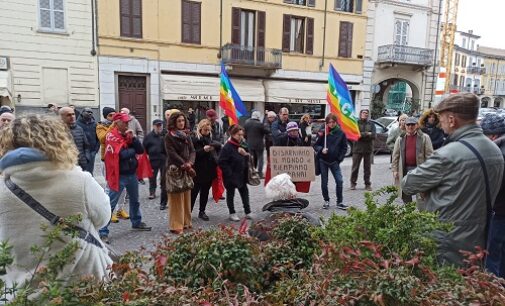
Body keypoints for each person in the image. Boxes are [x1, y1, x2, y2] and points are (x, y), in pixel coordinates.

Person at [0, 115, 112, 287]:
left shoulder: (2, 187)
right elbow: (103, 219)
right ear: (56, 140)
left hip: (23, 289)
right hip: (83, 284)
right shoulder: (79, 180)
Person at [401, 93, 504, 266]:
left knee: (442, 288)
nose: (439, 123)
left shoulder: (448, 154)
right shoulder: (494, 150)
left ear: (451, 119)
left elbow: (408, 184)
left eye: (440, 118)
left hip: (447, 240)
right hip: (480, 238)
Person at [99, 112, 152, 243]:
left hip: (131, 174)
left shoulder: (128, 136)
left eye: (128, 122)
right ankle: (103, 231)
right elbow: (122, 155)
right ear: (117, 123)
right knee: (110, 203)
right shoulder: (111, 136)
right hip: (118, 175)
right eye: (125, 122)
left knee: (135, 200)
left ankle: (136, 222)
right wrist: (131, 150)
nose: (128, 124)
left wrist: (133, 139)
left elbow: (140, 150)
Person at [480, 114, 505, 277]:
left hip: (499, 212)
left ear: (493, 135)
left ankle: (492, 292)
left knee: (492, 255)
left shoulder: (497, 154)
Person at [165, 111, 196, 234]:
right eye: (179, 121)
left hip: (187, 169)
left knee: (186, 197)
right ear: (173, 122)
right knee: (176, 198)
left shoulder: (187, 135)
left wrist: (190, 163)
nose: (181, 123)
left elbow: (193, 151)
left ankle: (186, 222)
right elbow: (171, 153)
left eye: (183, 120)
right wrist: (185, 165)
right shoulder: (169, 136)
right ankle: (176, 225)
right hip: (175, 169)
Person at [391, 117, 433, 206]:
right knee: (405, 192)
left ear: (417, 125)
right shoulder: (400, 139)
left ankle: (422, 215)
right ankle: (408, 213)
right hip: (405, 169)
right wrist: (395, 170)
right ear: (405, 126)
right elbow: (395, 156)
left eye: (413, 124)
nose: (410, 126)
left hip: (419, 170)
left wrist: (429, 170)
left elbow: (430, 156)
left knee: (421, 194)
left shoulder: (424, 138)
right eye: (408, 124)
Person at [313, 114, 348, 210]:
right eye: (329, 123)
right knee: (324, 182)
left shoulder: (341, 133)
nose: (331, 124)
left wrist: (339, 158)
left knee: (339, 180)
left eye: (333, 122)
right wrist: (321, 150)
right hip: (323, 160)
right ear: (327, 123)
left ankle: (339, 201)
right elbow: (315, 145)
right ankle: (326, 200)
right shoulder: (323, 132)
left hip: (334, 161)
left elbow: (344, 147)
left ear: (336, 122)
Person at [218, 125, 251, 221]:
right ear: (232, 134)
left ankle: (248, 211)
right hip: (231, 176)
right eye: (238, 135)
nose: (241, 137)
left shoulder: (243, 144)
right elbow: (221, 162)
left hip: (242, 174)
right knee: (230, 194)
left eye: (242, 134)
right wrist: (229, 173)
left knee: (244, 192)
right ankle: (232, 212)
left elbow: (250, 156)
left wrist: (245, 154)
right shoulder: (227, 147)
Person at [191, 119, 222, 221]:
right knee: (194, 192)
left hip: (209, 169)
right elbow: (193, 154)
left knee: (205, 192)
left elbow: (219, 146)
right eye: (205, 130)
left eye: (208, 130)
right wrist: (203, 150)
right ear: (200, 129)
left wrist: (213, 147)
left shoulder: (212, 138)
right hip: (198, 170)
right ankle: (188, 212)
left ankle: (202, 211)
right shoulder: (195, 139)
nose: (207, 132)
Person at [350, 109, 376, 191]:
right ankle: (353, 183)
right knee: (355, 168)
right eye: (364, 113)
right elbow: (355, 135)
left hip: (368, 149)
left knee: (367, 169)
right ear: (360, 114)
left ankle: (367, 184)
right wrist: (367, 134)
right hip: (357, 149)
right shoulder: (356, 123)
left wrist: (362, 135)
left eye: (367, 113)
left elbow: (374, 136)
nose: (365, 114)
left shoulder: (371, 124)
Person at [143, 119, 166, 200]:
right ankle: (152, 192)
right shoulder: (148, 136)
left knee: (164, 178)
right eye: (157, 125)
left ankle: (164, 193)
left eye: (160, 125)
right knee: (152, 177)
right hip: (152, 160)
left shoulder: (165, 135)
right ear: (153, 126)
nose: (159, 127)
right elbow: (144, 148)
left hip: (163, 160)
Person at [59, 106, 89, 171]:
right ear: (61, 117)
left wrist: (87, 157)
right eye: (68, 115)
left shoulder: (79, 129)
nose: (72, 116)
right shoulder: (57, 130)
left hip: (81, 163)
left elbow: (86, 145)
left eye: (73, 114)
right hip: (66, 165)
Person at [244, 110, 270, 177]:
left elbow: (244, 133)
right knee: (260, 158)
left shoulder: (246, 123)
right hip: (259, 144)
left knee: (251, 158)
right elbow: (267, 131)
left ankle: (251, 172)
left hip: (249, 143)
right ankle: (260, 173)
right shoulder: (260, 124)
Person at [77, 107, 100, 174]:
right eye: (88, 112)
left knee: (90, 171)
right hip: (81, 151)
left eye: (91, 112)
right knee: (82, 171)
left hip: (92, 151)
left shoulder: (95, 124)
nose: (90, 113)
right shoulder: (77, 124)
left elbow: (98, 138)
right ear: (82, 113)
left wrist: (95, 150)